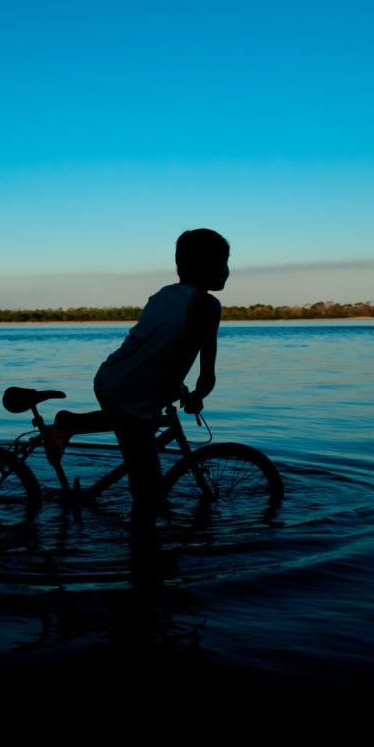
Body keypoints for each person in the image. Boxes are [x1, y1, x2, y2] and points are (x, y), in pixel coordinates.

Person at [92, 228, 230, 531]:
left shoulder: (164, 294)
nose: (226, 271)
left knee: (137, 443)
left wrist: (175, 386)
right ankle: (145, 558)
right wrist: (197, 395)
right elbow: (207, 373)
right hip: (131, 395)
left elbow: (156, 347)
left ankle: (70, 423)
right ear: (202, 267)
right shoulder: (207, 306)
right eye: (221, 263)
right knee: (149, 491)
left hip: (112, 378)